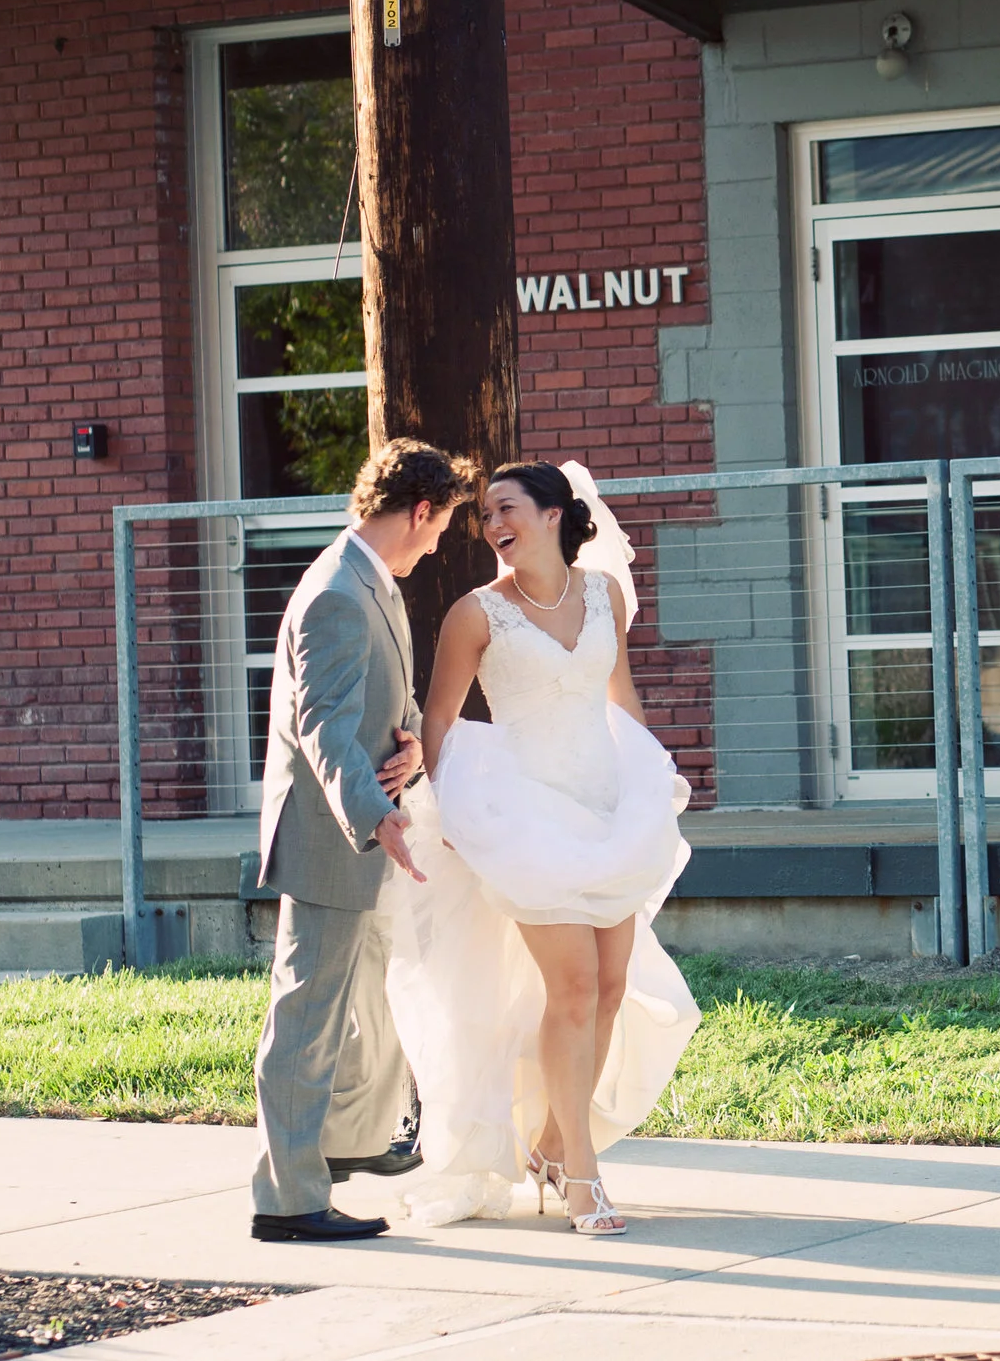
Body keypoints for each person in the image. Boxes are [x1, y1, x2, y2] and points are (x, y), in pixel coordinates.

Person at [388, 460, 699, 1234]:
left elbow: (617, 693)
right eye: (487, 512)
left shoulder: (605, 594)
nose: (494, 523)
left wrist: (650, 771)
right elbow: (441, 721)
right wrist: (451, 811)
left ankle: (556, 1144)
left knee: (611, 986)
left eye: (508, 507)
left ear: (556, 513)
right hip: (523, 815)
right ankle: (586, 1179)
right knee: (572, 986)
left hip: (605, 805)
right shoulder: (476, 613)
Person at [247, 438, 478, 1244]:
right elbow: (323, 729)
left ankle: (343, 1146)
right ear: (420, 510)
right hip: (330, 836)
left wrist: (410, 742)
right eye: (443, 524)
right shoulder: (336, 594)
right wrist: (374, 814)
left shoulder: (369, 582)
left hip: (367, 829)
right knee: (307, 1016)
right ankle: (288, 1199)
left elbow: (382, 703)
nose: (441, 540)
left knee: (361, 1004)